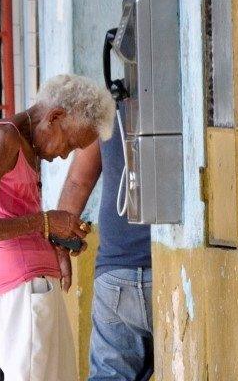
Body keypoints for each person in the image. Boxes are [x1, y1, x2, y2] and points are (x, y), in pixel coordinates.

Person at [0, 74, 116, 381]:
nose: (63, 155)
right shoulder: (5, 139)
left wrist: (55, 242)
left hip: (29, 287)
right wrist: (45, 221)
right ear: (55, 117)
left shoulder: (22, 142)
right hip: (21, 288)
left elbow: (11, 214)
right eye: (69, 143)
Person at [57, 98, 154, 380]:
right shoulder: (179, 93)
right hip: (166, 268)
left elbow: (78, 180)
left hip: (115, 275)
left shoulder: (109, 111)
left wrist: (60, 247)